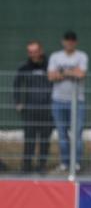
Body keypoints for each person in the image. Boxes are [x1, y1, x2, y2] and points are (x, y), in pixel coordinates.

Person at [48, 30, 88, 172]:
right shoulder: (55, 56)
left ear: (75, 42)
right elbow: (51, 76)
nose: (69, 42)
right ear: (63, 41)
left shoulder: (82, 56)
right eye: (67, 40)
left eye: (72, 40)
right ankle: (65, 162)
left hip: (77, 101)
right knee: (62, 134)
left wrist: (62, 72)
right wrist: (71, 72)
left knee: (77, 134)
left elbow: (81, 74)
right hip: (58, 100)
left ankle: (76, 163)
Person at [13, 40, 53, 173]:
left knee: (44, 139)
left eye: (35, 51)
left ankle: (42, 165)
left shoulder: (50, 65)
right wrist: (18, 102)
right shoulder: (24, 67)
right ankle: (27, 165)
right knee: (29, 138)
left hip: (47, 109)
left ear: (41, 51)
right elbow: (17, 84)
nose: (33, 55)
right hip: (30, 109)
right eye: (30, 52)